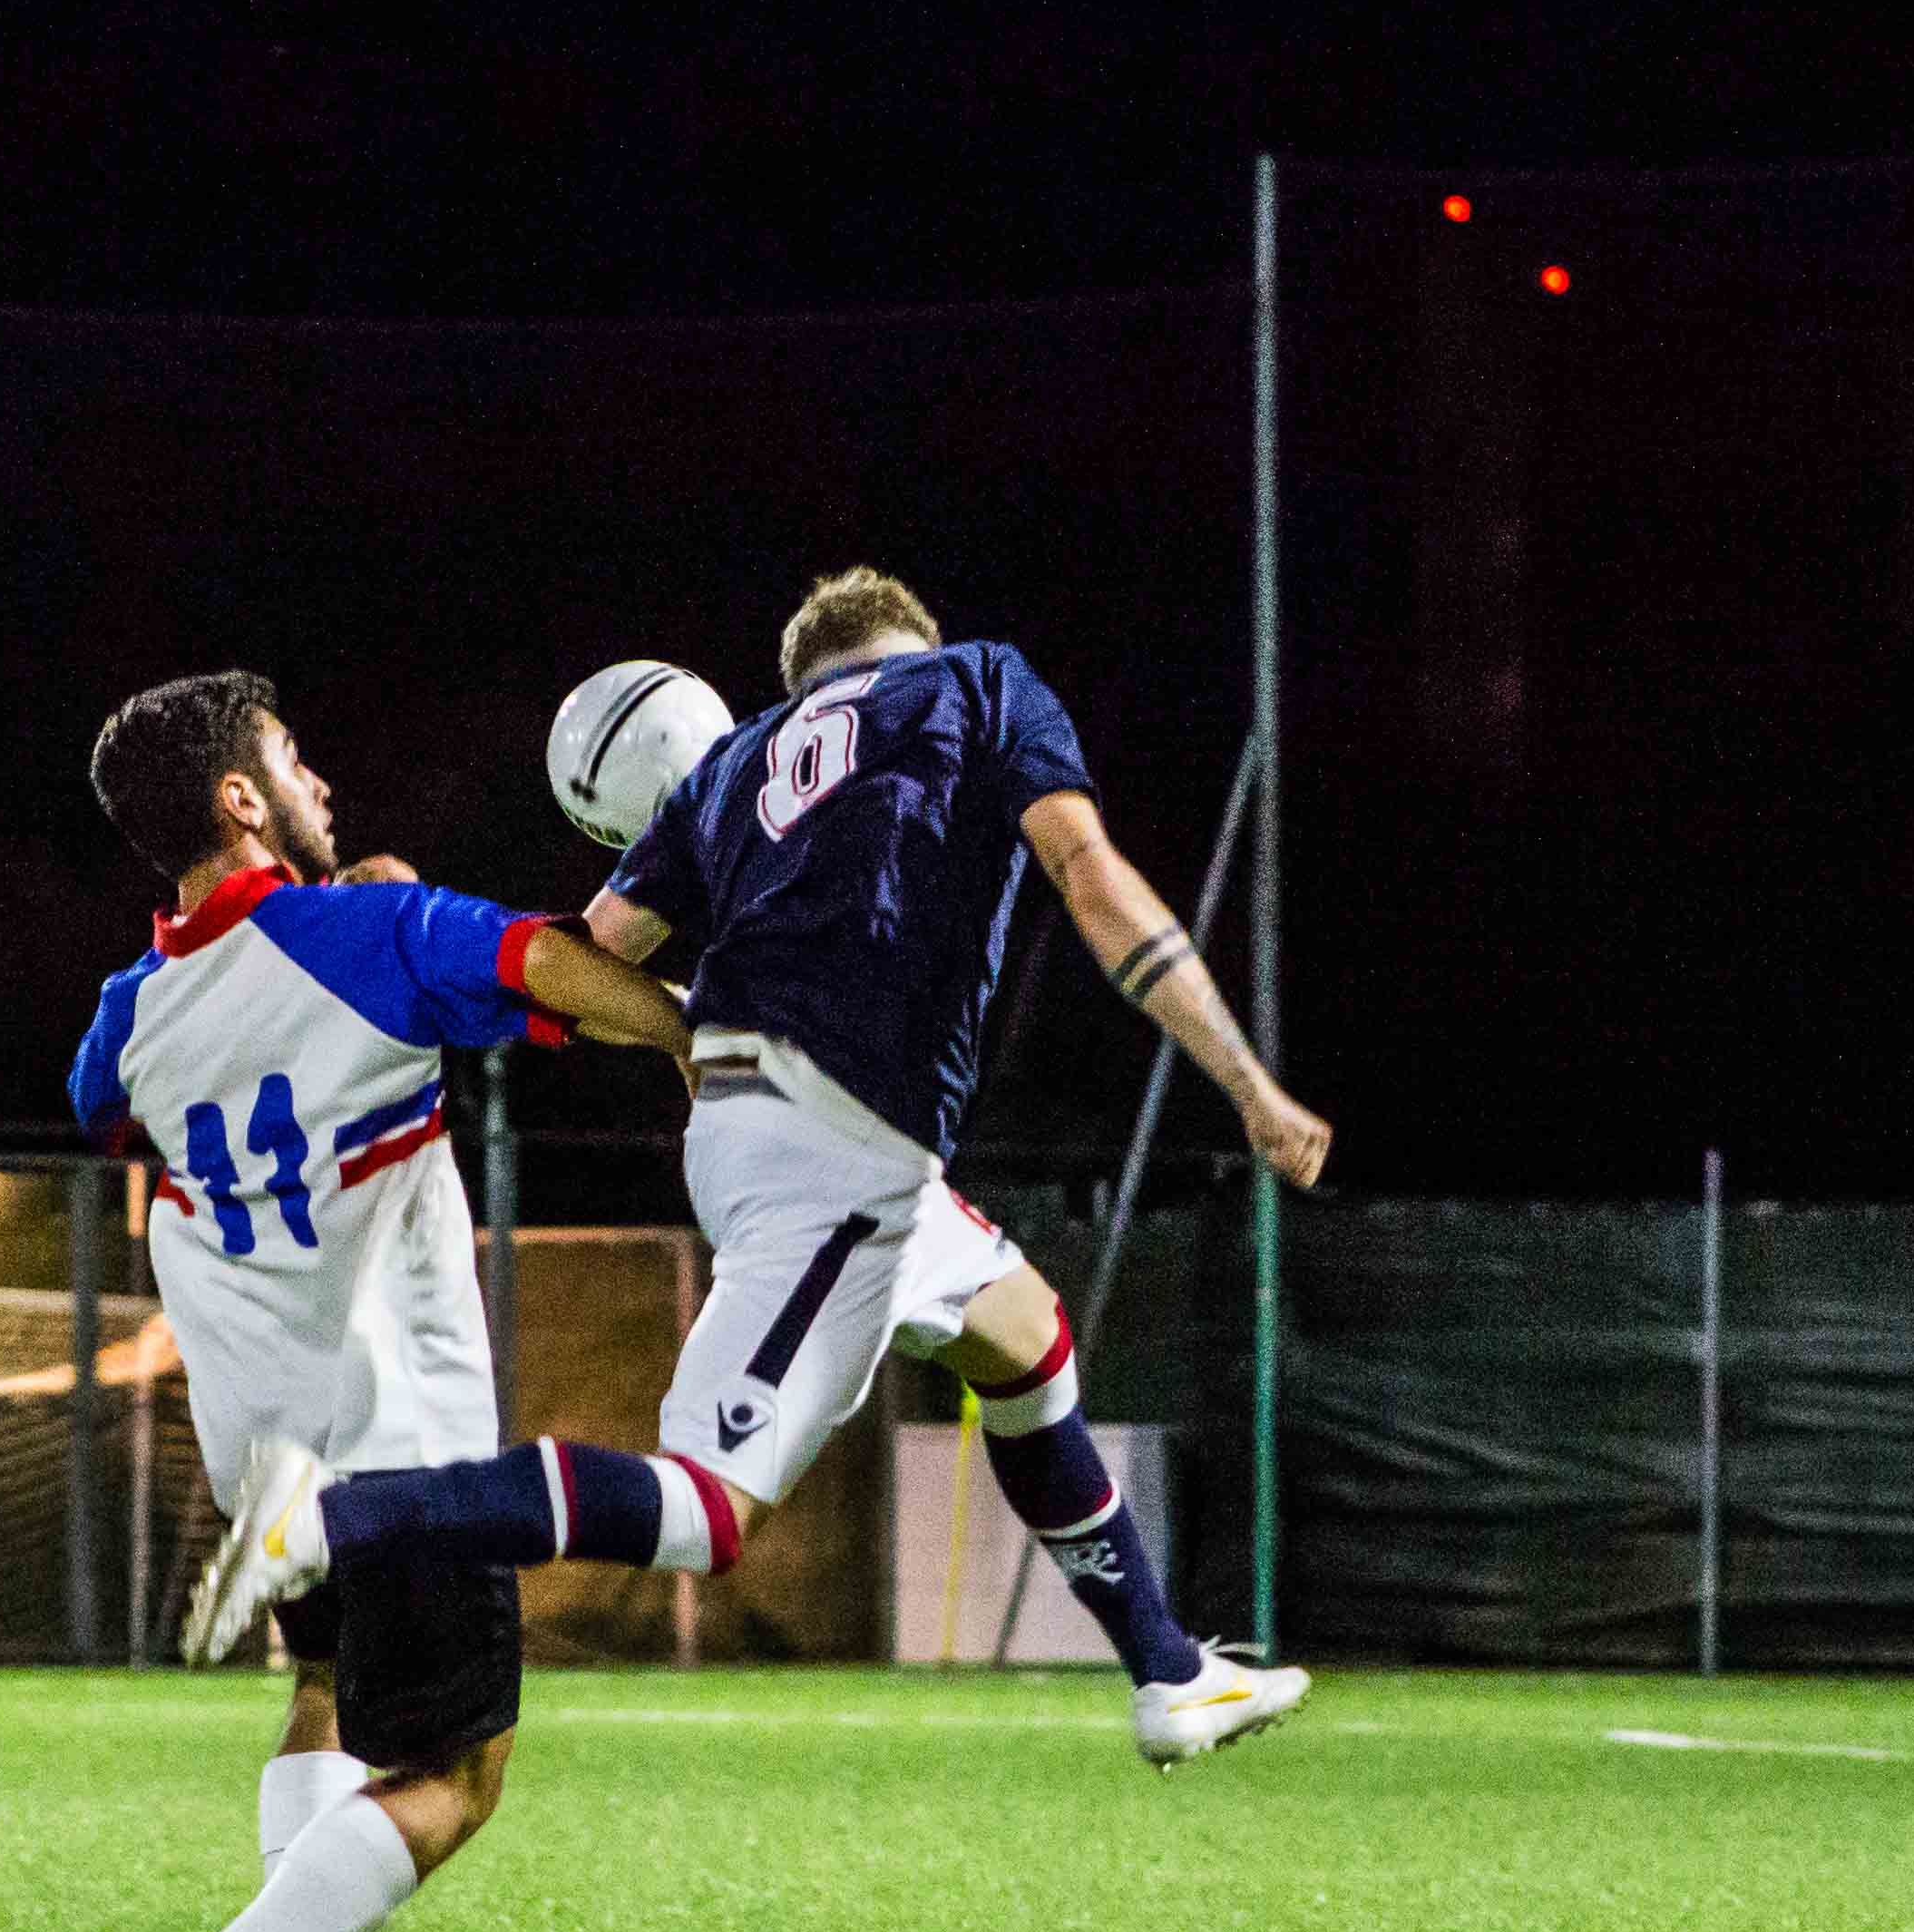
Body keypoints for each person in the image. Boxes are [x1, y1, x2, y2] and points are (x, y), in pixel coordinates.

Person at [185, 569, 1333, 1769]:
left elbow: (585, 961)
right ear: (910, 642)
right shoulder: (979, 681)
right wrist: (1248, 1085)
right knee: (707, 1509)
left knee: (1026, 1338)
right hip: (834, 1146)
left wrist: (410, 920)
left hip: (773, 1121)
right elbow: (1092, 881)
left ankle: (1168, 1671)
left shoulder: (734, 765)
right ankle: (334, 1518)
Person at [74, 672, 691, 1932]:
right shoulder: (374, 938)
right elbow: (548, 964)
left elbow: (108, 1102)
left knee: (324, 1695)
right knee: (460, 1778)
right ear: (241, 799)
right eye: (292, 759)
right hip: (401, 1449)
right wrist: (692, 1039)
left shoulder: (127, 1017)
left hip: (261, 1454)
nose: (320, 781)